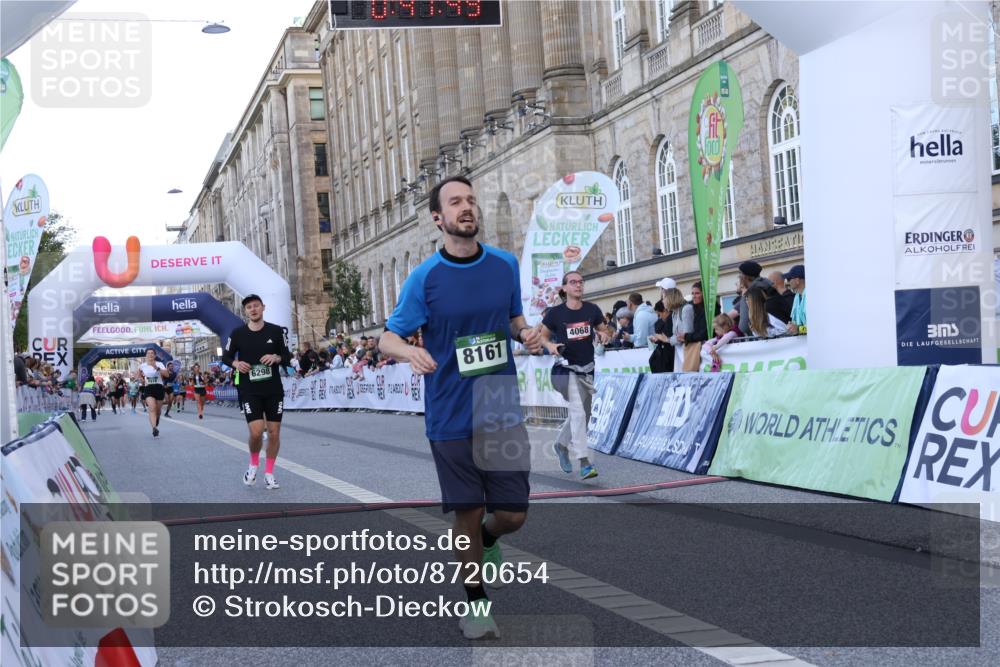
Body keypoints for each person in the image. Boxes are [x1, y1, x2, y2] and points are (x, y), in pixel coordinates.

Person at [378, 175, 542, 640]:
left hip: (500, 406)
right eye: (455, 202)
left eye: (470, 200)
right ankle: (476, 604)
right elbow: (388, 337)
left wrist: (525, 332)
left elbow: (513, 318)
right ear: (438, 218)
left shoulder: (504, 265)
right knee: (467, 512)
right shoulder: (424, 277)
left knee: (512, 514)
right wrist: (409, 351)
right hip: (450, 411)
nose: (466, 207)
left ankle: (490, 539)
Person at [539, 272, 611, 479]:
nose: (578, 285)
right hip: (565, 370)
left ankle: (561, 445)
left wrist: (604, 335)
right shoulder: (555, 313)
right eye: (573, 282)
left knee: (583, 414)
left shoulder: (592, 309)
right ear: (564, 288)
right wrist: (550, 346)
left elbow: (605, 331)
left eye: (581, 282)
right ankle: (584, 462)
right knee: (578, 411)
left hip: (587, 369)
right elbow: (543, 337)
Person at [221, 294, 292, 491]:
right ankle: (253, 465)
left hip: (273, 389)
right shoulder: (238, 333)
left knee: (274, 433)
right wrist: (236, 363)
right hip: (249, 389)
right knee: (256, 432)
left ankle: (269, 473)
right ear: (245, 312)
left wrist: (276, 357)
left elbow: (287, 355)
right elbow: (226, 357)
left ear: (263, 307)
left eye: (256, 306)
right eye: (249, 307)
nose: (253, 309)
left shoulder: (276, 331)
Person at [137, 349, 169, 437]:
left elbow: (167, 375)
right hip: (148, 388)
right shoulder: (142, 365)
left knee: (158, 410)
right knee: (152, 408)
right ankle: (154, 428)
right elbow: (137, 374)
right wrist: (141, 379)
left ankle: (157, 418)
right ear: (146, 355)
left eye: (152, 353)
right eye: (148, 353)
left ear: (155, 355)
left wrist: (156, 367)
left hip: (159, 387)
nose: (150, 355)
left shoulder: (159, 364)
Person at [682, 282, 713, 372]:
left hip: (707, 348)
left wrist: (686, 337)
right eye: (692, 293)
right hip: (698, 347)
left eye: (697, 293)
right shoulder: (692, 308)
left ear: (704, 294)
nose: (694, 296)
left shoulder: (710, 310)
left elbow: (703, 333)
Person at [648, 300, 675, 373]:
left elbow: (667, 337)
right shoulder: (661, 322)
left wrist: (659, 338)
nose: (660, 317)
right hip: (664, 353)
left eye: (659, 315)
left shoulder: (671, 320)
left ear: (665, 311)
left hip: (669, 354)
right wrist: (657, 339)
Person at [784, 264, 807, 334]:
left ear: (797, 280)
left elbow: (815, 327)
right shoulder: (797, 296)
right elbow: (795, 323)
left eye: (789, 279)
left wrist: (799, 329)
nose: (787, 282)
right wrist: (791, 327)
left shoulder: (811, 296)